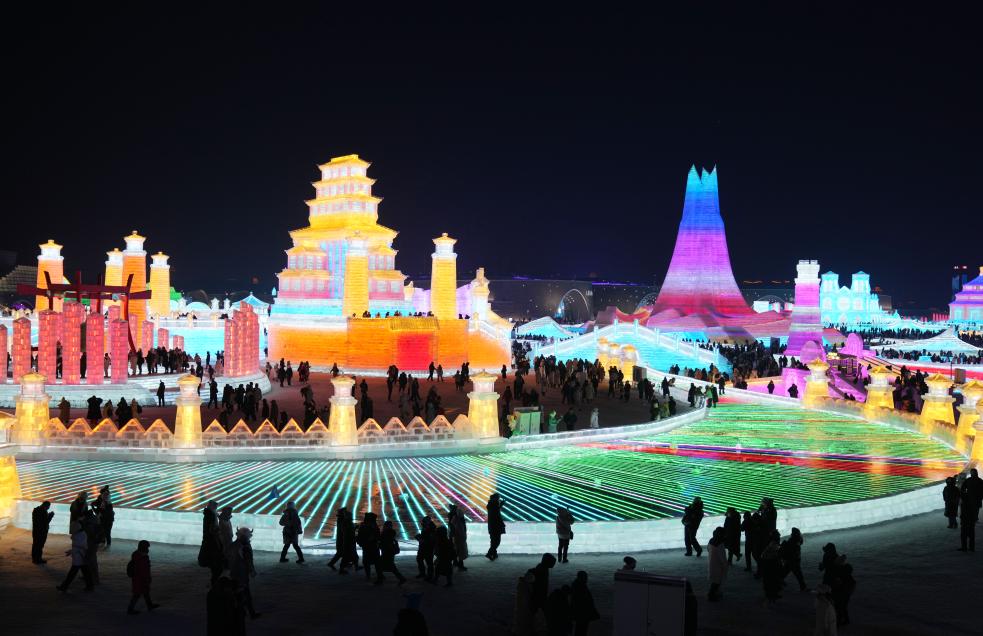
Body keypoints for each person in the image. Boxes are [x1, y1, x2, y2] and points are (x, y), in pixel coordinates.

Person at [228, 527, 260, 619]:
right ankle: (250, 613)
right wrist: (252, 571)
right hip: (241, 574)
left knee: (237, 593)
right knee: (245, 594)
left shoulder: (233, 545)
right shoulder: (245, 547)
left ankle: (241, 612)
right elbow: (248, 561)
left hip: (233, 573)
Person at [56, 521, 93, 592]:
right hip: (80, 556)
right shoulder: (79, 534)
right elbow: (78, 547)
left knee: (74, 572)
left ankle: (64, 586)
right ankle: (90, 586)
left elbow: (80, 547)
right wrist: (72, 551)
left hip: (80, 556)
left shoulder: (80, 535)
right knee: (85, 571)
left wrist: (72, 551)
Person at [127, 540, 160, 614]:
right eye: (147, 547)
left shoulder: (140, 556)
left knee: (145, 593)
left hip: (140, 579)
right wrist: (146, 578)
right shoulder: (141, 557)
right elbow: (142, 570)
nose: (148, 549)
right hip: (139, 579)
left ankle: (149, 605)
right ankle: (130, 609)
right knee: (137, 594)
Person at [198, 500, 224, 584]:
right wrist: (218, 530)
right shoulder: (211, 515)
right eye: (215, 506)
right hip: (212, 538)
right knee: (214, 554)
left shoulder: (210, 514)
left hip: (209, 538)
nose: (216, 508)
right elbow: (212, 528)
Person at [378, 519, 407, 585]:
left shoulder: (388, 532)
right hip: (388, 551)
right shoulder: (389, 532)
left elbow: (385, 541)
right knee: (387, 566)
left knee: (384, 565)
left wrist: (380, 542)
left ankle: (380, 579)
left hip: (387, 551)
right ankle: (381, 579)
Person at [528, 553, 557, 618]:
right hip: (539, 595)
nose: (553, 565)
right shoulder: (542, 570)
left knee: (535, 610)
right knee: (536, 610)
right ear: (547, 562)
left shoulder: (543, 568)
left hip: (540, 594)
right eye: (552, 563)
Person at [571, 570, 600, 635]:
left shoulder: (577, 585)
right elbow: (584, 601)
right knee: (581, 629)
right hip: (582, 613)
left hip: (581, 613)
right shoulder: (580, 587)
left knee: (580, 629)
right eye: (585, 577)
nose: (587, 579)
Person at [781, 527, 807, 592]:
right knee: (799, 575)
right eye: (798, 533)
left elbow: (800, 542)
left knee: (785, 572)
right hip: (793, 561)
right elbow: (799, 544)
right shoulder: (794, 541)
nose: (799, 534)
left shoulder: (793, 540)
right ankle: (803, 587)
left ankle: (777, 582)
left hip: (791, 561)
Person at [357, 511, 382, 581]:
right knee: (374, 561)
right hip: (370, 546)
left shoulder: (365, 526)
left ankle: (372, 575)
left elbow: (359, 536)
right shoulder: (371, 526)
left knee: (369, 562)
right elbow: (378, 535)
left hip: (369, 546)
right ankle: (378, 575)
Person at [707, 527, 729, 601]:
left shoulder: (711, 540)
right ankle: (711, 595)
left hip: (711, 563)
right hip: (718, 566)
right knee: (716, 582)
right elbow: (722, 558)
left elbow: (708, 549)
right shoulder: (720, 545)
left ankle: (715, 593)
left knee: (715, 580)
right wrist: (726, 565)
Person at [513, 570, 537, 636]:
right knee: (522, 619)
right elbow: (524, 599)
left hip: (523, 607)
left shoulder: (523, 585)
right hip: (523, 607)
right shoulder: (524, 587)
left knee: (521, 619)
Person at [414, 514, 436, 580]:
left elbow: (430, 539)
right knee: (420, 559)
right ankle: (423, 573)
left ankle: (429, 576)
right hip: (423, 547)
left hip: (428, 547)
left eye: (424, 522)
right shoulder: (427, 527)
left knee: (429, 561)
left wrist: (420, 539)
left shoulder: (431, 529)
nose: (422, 523)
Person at [448, 503, 469, 570]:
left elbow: (451, 528)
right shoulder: (457, 519)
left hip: (455, 536)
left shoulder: (452, 518)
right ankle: (460, 564)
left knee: (455, 550)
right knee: (460, 550)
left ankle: (455, 562)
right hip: (458, 536)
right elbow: (461, 528)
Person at [486, 493, 506, 560]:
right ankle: (489, 553)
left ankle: (494, 554)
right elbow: (497, 515)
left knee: (493, 540)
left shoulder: (491, 505)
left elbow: (496, 511)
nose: (499, 500)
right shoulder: (494, 505)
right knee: (497, 541)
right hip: (496, 526)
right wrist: (501, 505)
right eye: (498, 498)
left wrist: (500, 505)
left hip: (492, 526)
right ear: (495, 499)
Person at [959, 487, 976, 552]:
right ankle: (971, 548)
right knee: (971, 534)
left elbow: (964, 514)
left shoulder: (964, 504)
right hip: (970, 520)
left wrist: (962, 520)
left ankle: (964, 547)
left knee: (964, 535)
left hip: (966, 521)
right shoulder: (971, 502)